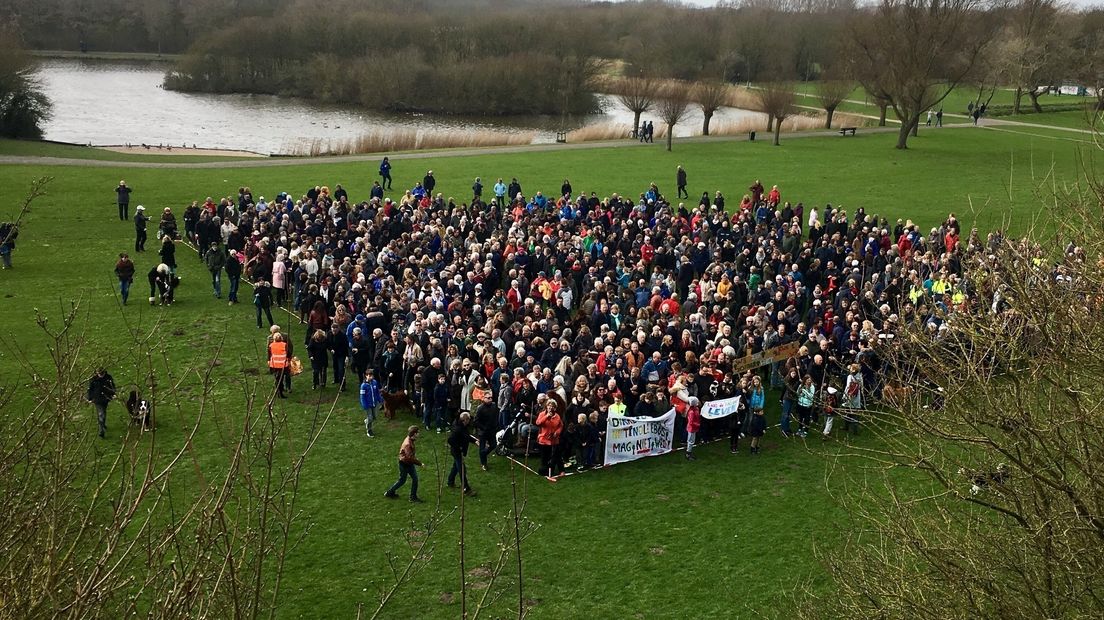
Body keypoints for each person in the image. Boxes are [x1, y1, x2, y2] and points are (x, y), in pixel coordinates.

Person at [385, 426, 424, 502]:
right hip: (405, 464)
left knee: (408, 479)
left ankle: (390, 493)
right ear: (414, 434)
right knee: (404, 480)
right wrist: (420, 463)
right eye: (418, 432)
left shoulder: (410, 439)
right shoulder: (408, 444)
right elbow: (410, 457)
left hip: (406, 462)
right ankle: (412, 497)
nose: (419, 434)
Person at [447, 412, 477, 496]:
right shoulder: (458, 429)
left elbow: (466, 436)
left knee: (455, 467)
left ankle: (450, 481)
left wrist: (474, 441)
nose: (470, 421)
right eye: (469, 419)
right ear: (465, 420)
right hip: (457, 452)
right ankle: (466, 489)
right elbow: (450, 440)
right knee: (462, 470)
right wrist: (458, 448)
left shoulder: (463, 427)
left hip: (458, 451)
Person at [536, 400, 564, 479]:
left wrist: (557, 433)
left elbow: (561, 426)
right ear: (547, 406)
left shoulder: (557, 416)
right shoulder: (542, 414)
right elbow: (538, 423)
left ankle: (560, 470)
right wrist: (546, 416)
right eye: (549, 406)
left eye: (552, 406)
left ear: (555, 408)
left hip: (554, 440)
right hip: (544, 439)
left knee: (556, 455)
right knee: (544, 457)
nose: (550, 408)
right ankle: (545, 470)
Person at [86, 367, 116, 439]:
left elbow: (112, 386)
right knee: (101, 413)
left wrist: (113, 393)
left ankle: (103, 424)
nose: (100, 375)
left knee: (103, 412)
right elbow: (90, 389)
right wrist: (90, 398)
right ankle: (101, 430)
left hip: (106, 398)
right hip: (97, 399)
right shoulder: (93, 379)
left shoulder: (108, 378)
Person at [474, 391, 498, 471]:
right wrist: (483, 428)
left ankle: (484, 454)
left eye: (491, 398)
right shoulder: (480, 408)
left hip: (492, 430)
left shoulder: (494, 406)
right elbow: (476, 421)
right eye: (488, 398)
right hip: (483, 431)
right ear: (483, 398)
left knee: (493, 445)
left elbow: (496, 416)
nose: (490, 399)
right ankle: (483, 463)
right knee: (482, 447)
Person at [360, 369, 383, 436]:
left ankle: (367, 421)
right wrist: (364, 405)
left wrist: (380, 399)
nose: (370, 377)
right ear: (366, 376)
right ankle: (369, 430)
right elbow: (362, 397)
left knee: (374, 417)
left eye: (371, 375)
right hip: (368, 405)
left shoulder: (375, 382)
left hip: (374, 403)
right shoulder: (363, 386)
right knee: (370, 418)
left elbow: (377, 392)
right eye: (369, 376)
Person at [268, 332, 290, 399]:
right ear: (281, 338)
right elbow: (288, 353)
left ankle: (279, 391)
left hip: (274, 365)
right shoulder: (284, 345)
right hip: (282, 365)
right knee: (281, 379)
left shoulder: (271, 345)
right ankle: (280, 393)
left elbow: (269, 354)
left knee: (277, 379)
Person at [685, 396, 702, 461]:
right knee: (690, 441)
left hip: (694, 427)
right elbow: (691, 422)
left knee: (692, 441)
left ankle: (689, 452)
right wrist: (698, 424)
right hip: (692, 428)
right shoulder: (691, 412)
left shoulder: (696, 409)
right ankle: (688, 453)